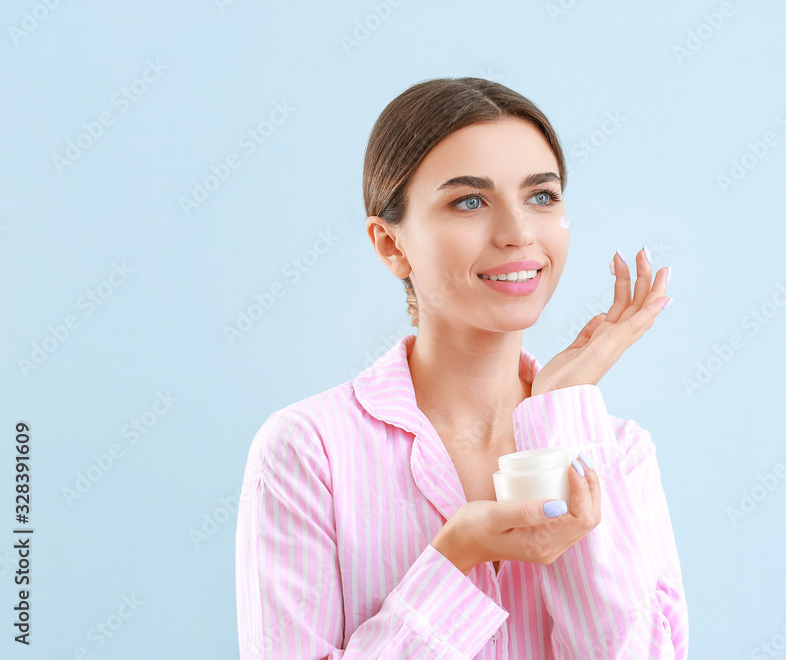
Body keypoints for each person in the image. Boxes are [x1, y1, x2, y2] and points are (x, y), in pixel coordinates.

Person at [235, 77, 688, 659]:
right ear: (390, 245)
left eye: (542, 196)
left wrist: (564, 415)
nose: (519, 233)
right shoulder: (309, 449)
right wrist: (454, 560)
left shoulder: (618, 452)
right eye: (469, 201)